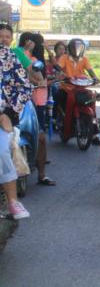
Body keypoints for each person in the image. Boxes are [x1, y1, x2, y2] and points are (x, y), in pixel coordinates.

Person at [0, 31, 32, 219]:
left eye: (6, 36)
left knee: (2, 151)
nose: (2, 39)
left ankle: (13, 201)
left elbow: (25, 87)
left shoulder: (9, 56)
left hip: (4, 117)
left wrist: (8, 113)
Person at [55, 38, 99, 140]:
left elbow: (90, 71)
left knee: (91, 101)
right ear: (70, 48)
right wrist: (62, 75)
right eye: (75, 47)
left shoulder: (84, 59)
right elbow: (58, 68)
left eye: (79, 47)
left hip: (80, 89)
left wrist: (95, 78)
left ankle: (94, 133)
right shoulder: (64, 58)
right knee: (59, 97)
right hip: (67, 88)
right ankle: (63, 122)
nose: (77, 50)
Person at [30, 34, 55, 186]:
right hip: (34, 102)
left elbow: (54, 66)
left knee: (41, 138)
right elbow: (39, 80)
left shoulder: (39, 61)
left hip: (40, 101)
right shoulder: (32, 60)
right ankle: (41, 174)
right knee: (40, 138)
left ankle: (41, 173)